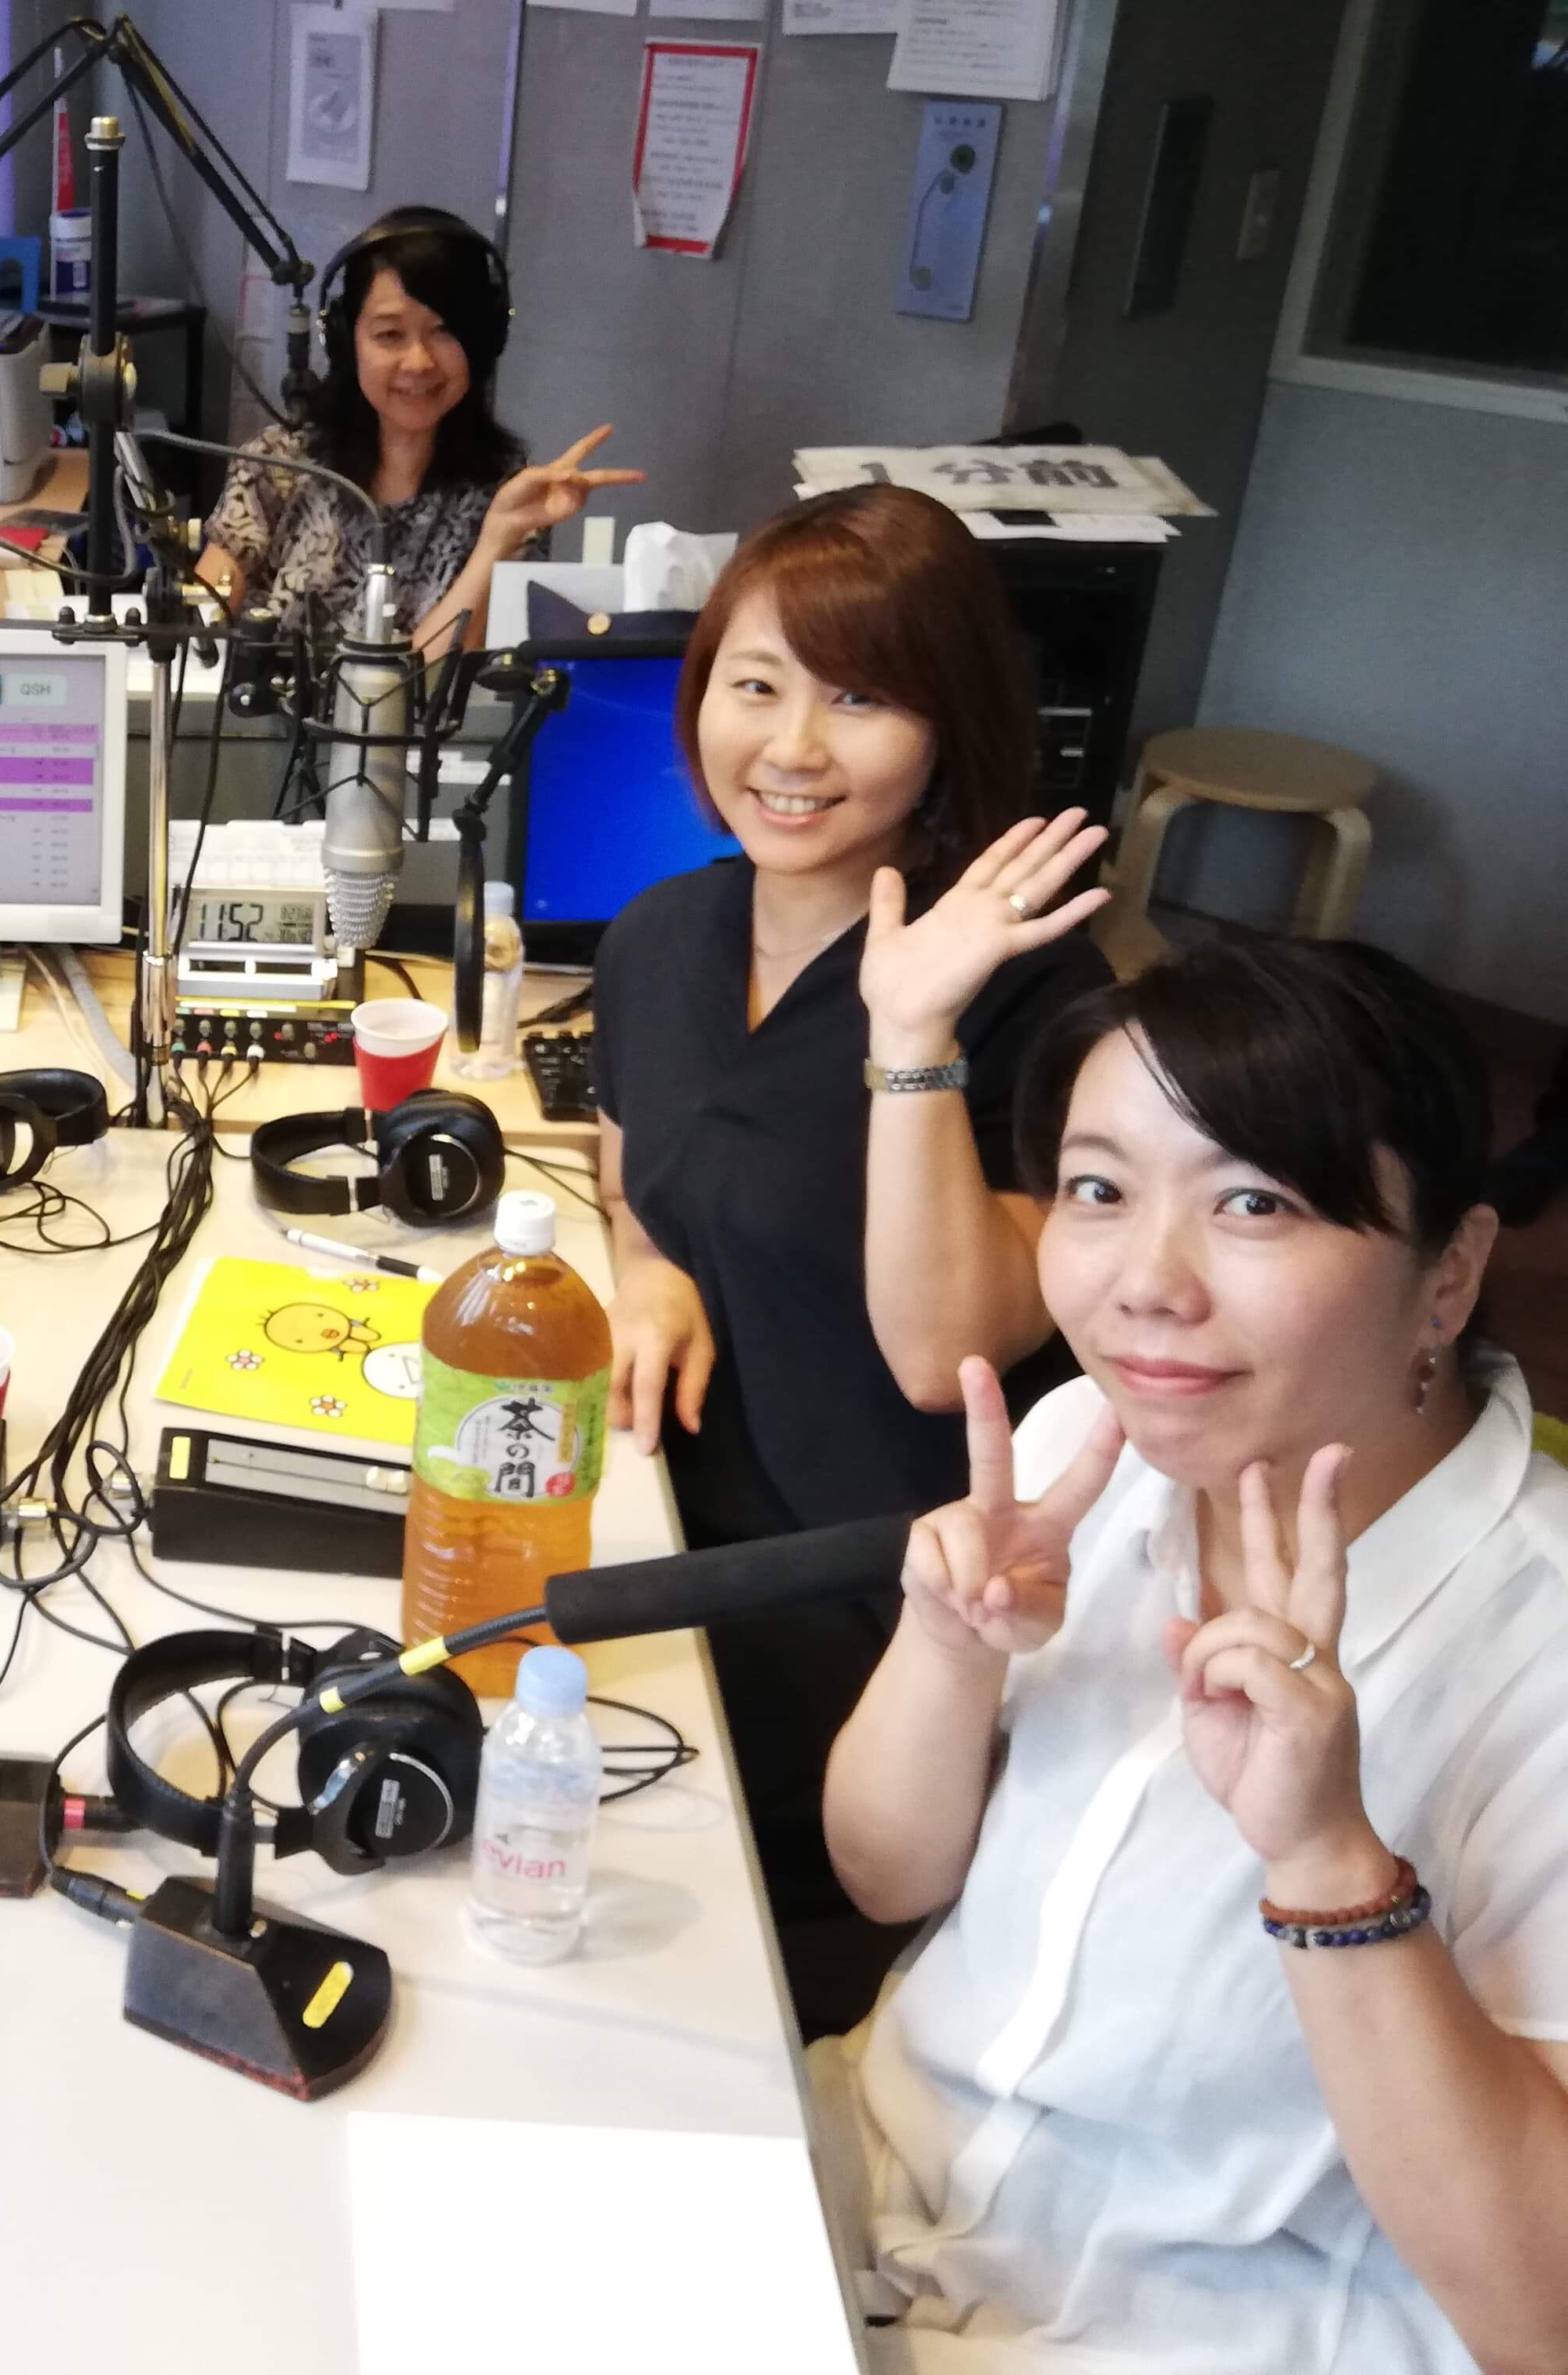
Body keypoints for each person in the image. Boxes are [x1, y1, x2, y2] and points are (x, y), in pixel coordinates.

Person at [813, 935, 1568, 2370]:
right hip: (859, 2190)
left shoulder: (1541, 1647)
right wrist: (948, 1645)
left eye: (1253, 1202)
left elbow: (1546, 2318)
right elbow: (882, 1878)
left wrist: (1330, 1861)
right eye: (1099, 1189)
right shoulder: (1081, 1459)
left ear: (1450, 1272)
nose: (1145, 1282)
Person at [588, 483, 1113, 2037]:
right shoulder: (664, 933)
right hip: (668, 1547)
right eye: (756, 686)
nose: (793, 746)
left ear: (949, 728)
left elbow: (941, 1350)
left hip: (892, 1634)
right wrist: (648, 1265)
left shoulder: (1038, 994)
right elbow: (631, 1150)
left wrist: (912, 1031)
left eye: (861, 697)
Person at [195, 204, 642, 653]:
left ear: (481, 341)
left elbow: (430, 680)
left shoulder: (511, 495)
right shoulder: (279, 466)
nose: (419, 362)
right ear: (346, 341)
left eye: (444, 331)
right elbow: (199, 630)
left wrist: (499, 538)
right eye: (390, 335)